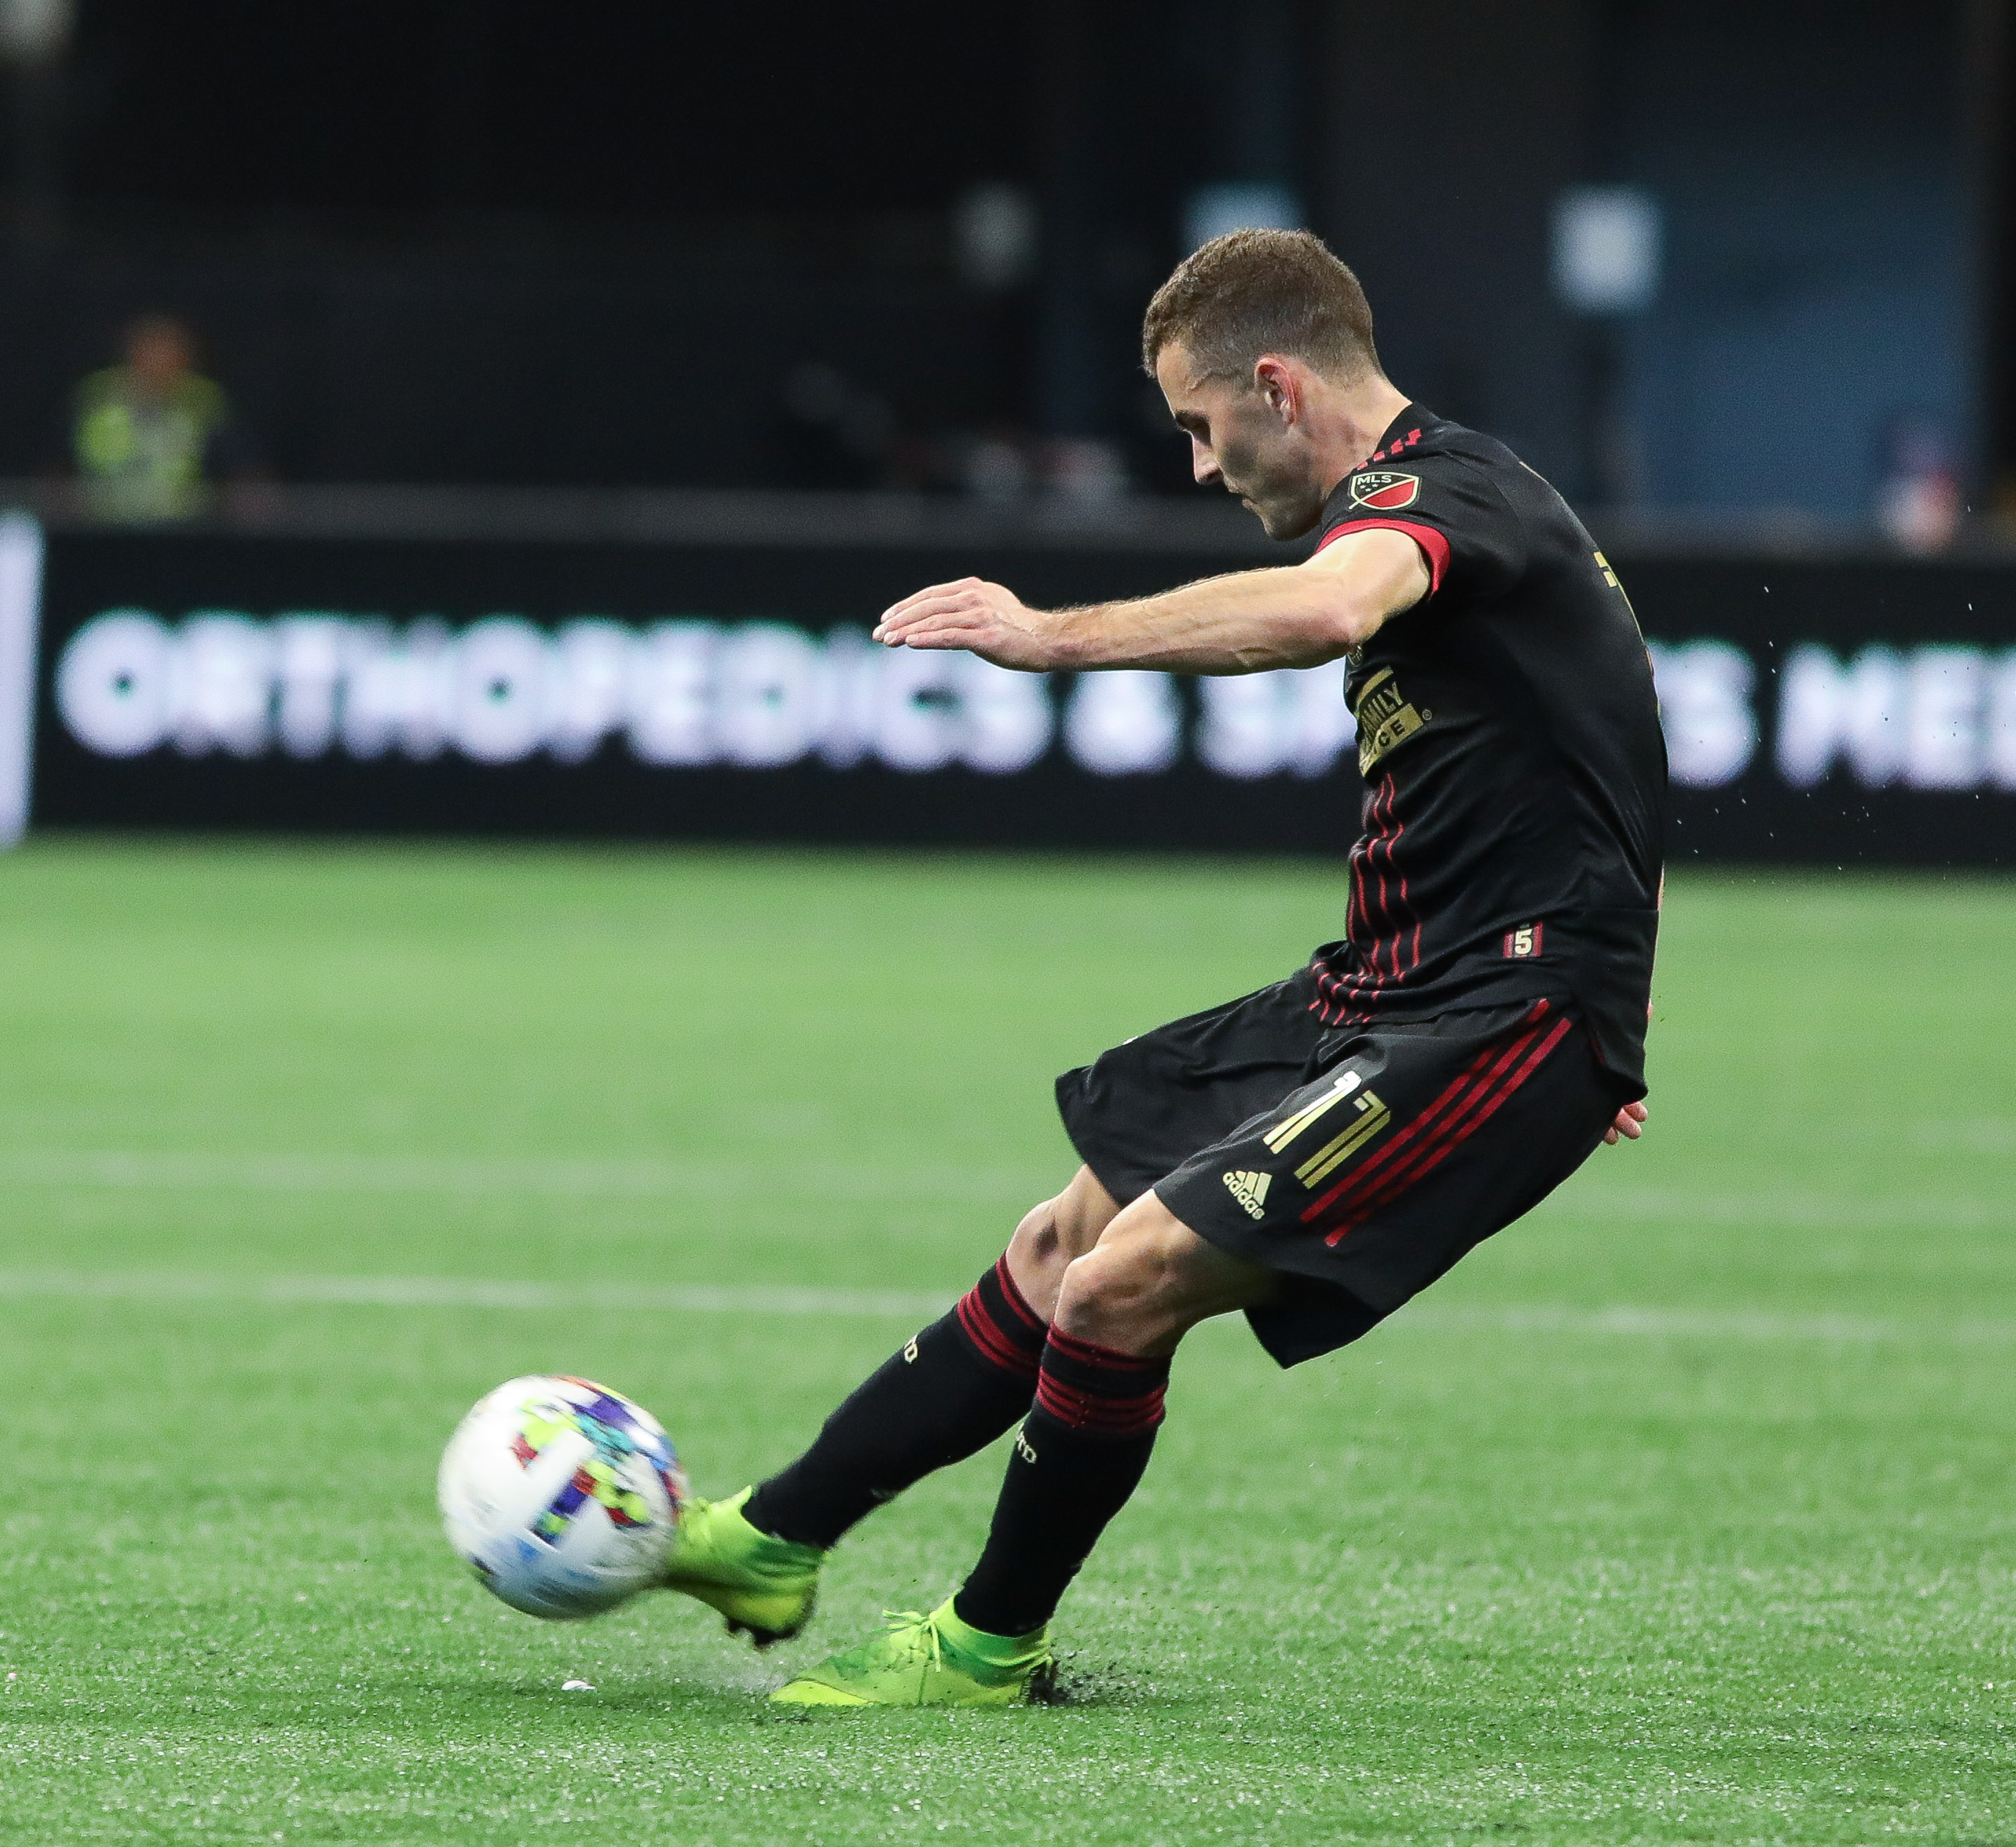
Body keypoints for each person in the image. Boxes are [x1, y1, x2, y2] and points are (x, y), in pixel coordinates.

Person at [659, 228, 1669, 1706]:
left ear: (1276, 381)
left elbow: (1325, 609)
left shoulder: (1433, 499)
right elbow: (1606, 747)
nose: (1201, 465)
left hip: (1493, 1009)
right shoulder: (1470, 514)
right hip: (1393, 990)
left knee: (1122, 1286)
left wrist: (1047, 638)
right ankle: (774, 1534)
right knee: (1063, 1240)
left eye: (1201, 426)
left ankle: (986, 1643)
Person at [69, 314, 245, 523]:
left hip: (186, 530)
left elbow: (243, 472)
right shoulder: (96, 395)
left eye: (167, 352)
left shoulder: (205, 401)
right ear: (130, 353)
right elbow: (55, 471)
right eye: (149, 350)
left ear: (186, 358)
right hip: (102, 529)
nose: (157, 360)